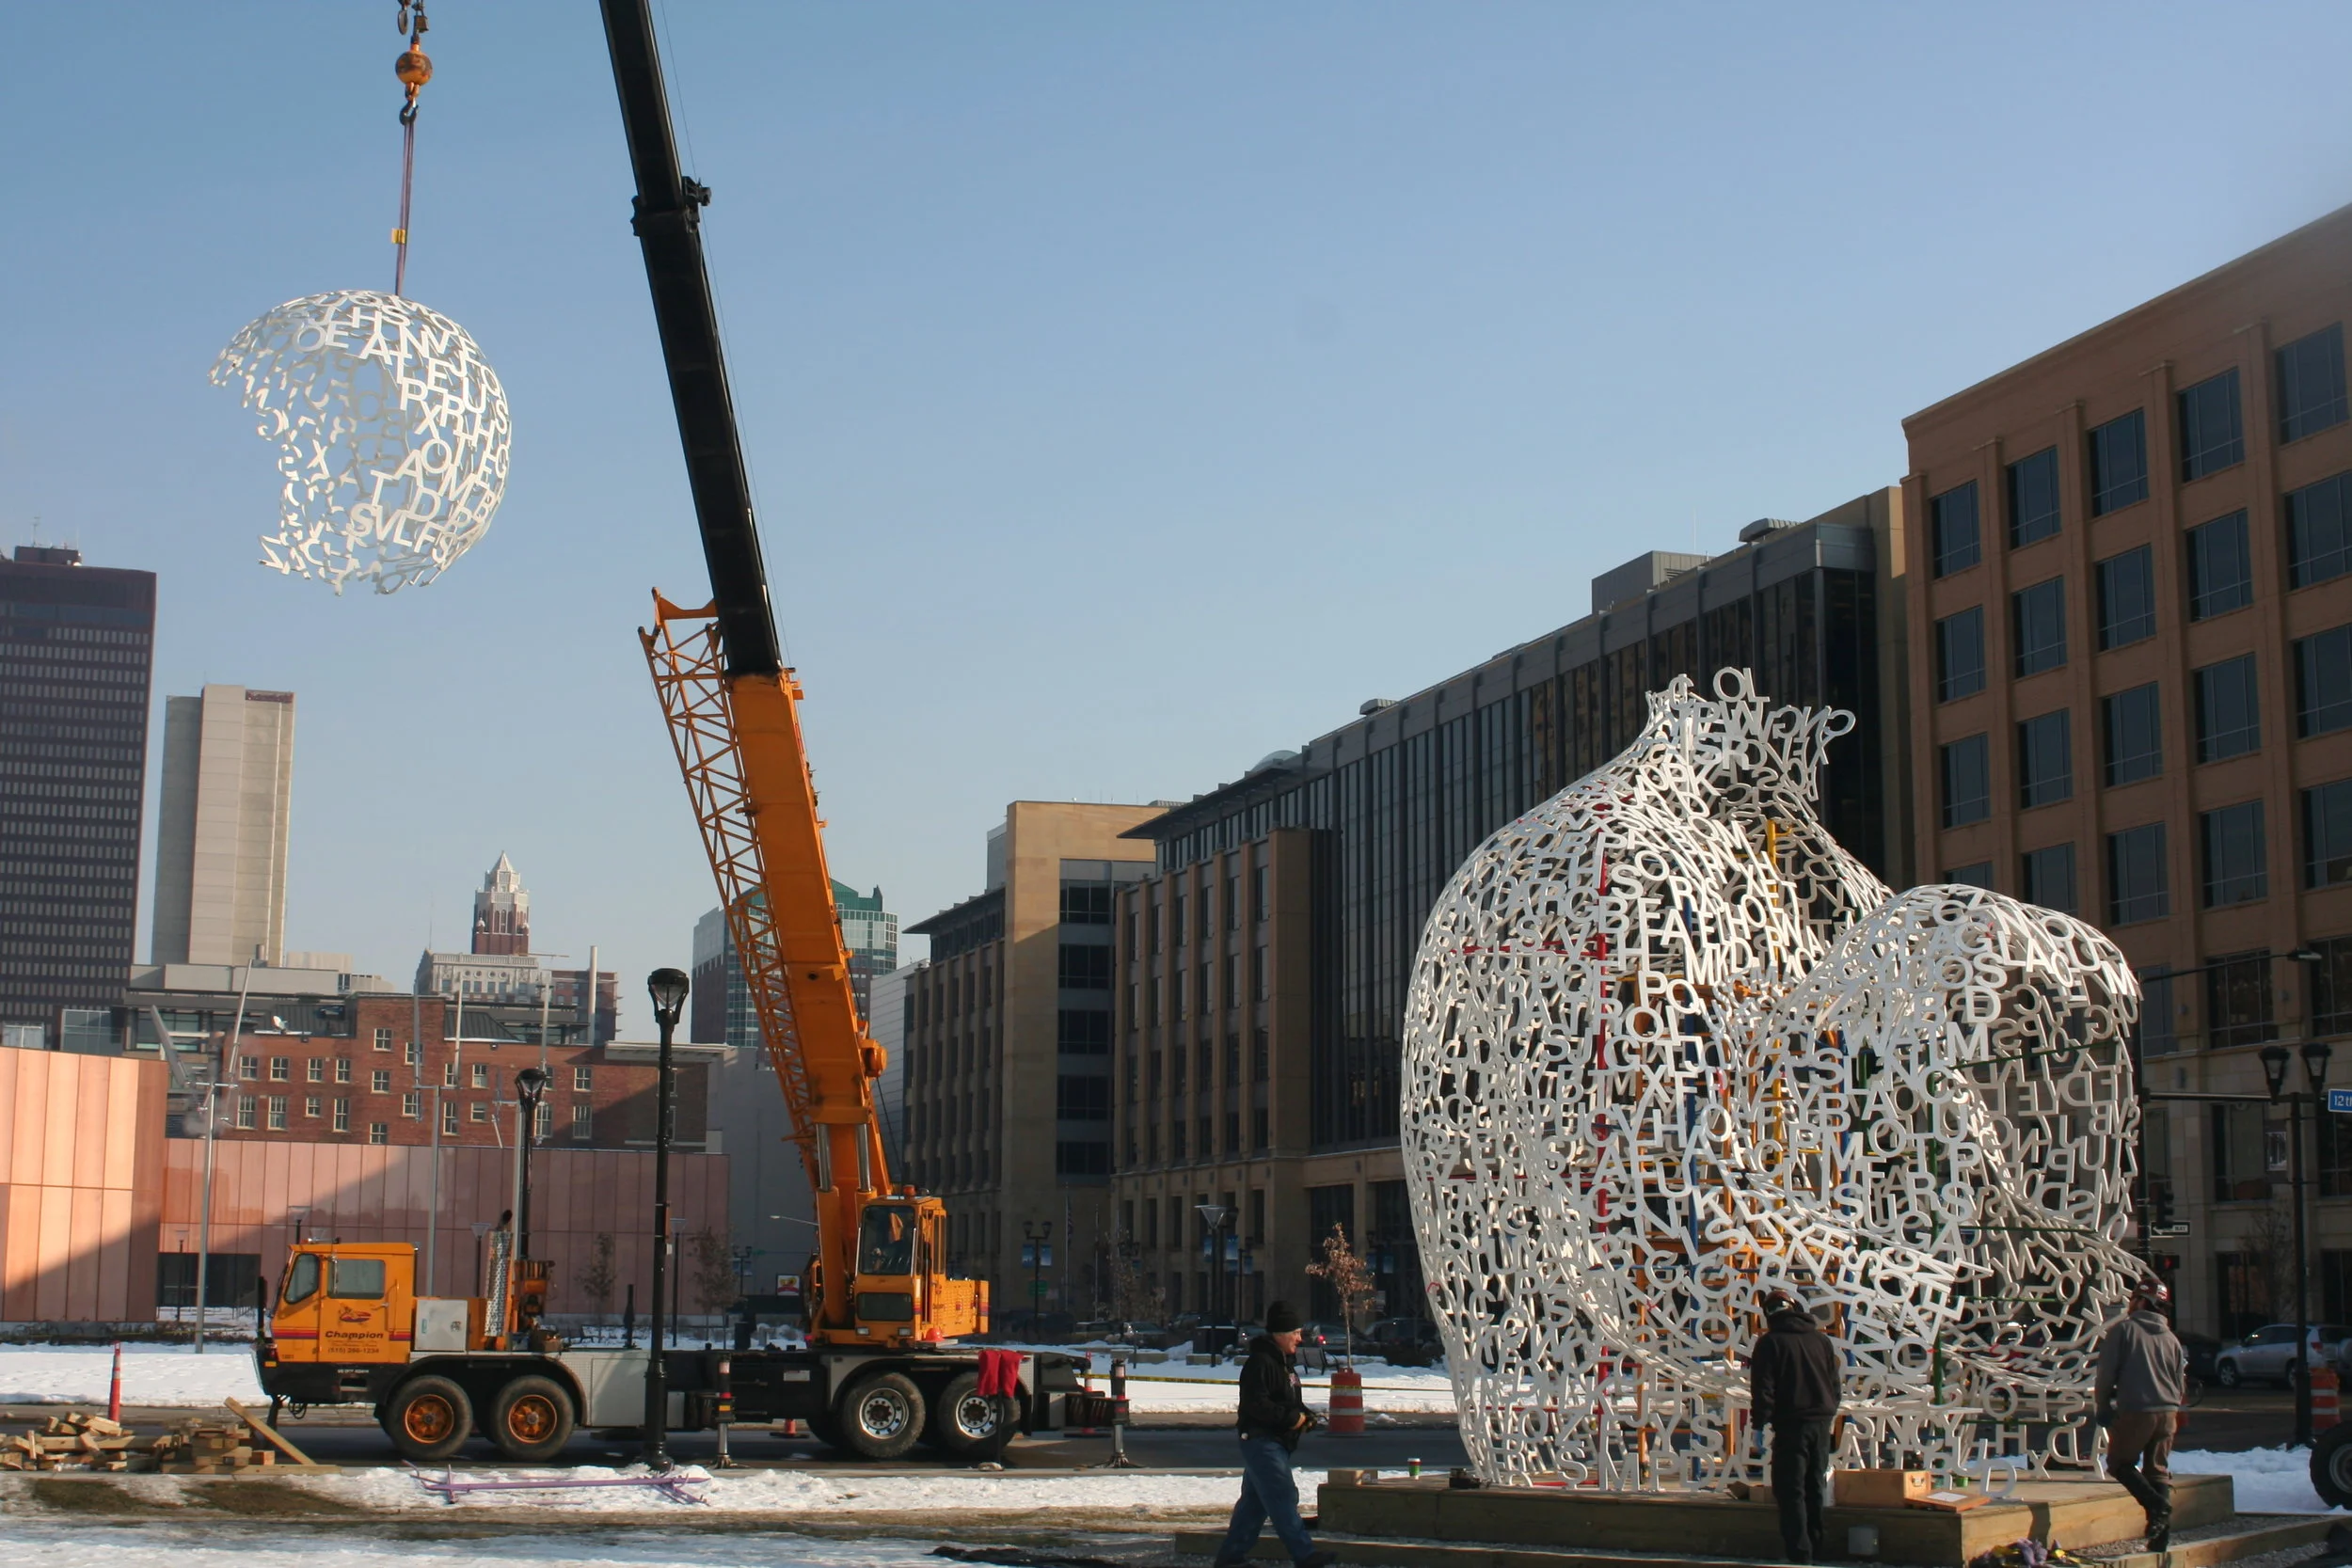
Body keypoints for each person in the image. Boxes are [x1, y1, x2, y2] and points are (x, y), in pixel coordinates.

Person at [1214, 1300, 1333, 1568]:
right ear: (1280, 1334)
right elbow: (1257, 1405)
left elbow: (1288, 1401)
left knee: (1254, 1505)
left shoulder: (1284, 1364)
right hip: (1261, 1440)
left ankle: (1230, 1558)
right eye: (1295, 1334)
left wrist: (1305, 1416)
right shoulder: (1261, 1363)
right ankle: (1305, 1555)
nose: (1300, 1339)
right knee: (1282, 1496)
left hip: (1275, 1441)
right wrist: (1292, 1419)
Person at [1749, 1287, 1842, 1565]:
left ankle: (1800, 1553)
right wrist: (1828, 1409)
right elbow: (1834, 1383)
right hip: (1821, 1422)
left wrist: (1759, 1424)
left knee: (1790, 1489)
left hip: (1792, 1423)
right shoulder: (1820, 1340)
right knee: (1814, 1484)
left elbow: (1763, 1389)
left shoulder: (1770, 1343)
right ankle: (1817, 1546)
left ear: (1768, 1314)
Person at [2097, 1277, 2186, 1552]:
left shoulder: (2123, 1331)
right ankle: (2160, 1539)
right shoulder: (2171, 1338)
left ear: (2142, 1301)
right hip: (2168, 1412)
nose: (2129, 1303)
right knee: (2157, 1471)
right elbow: (2179, 1381)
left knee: (2119, 1463)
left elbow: (2106, 1375)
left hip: (2137, 1409)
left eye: (2133, 1298)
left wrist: (2102, 1406)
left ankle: (2157, 1506)